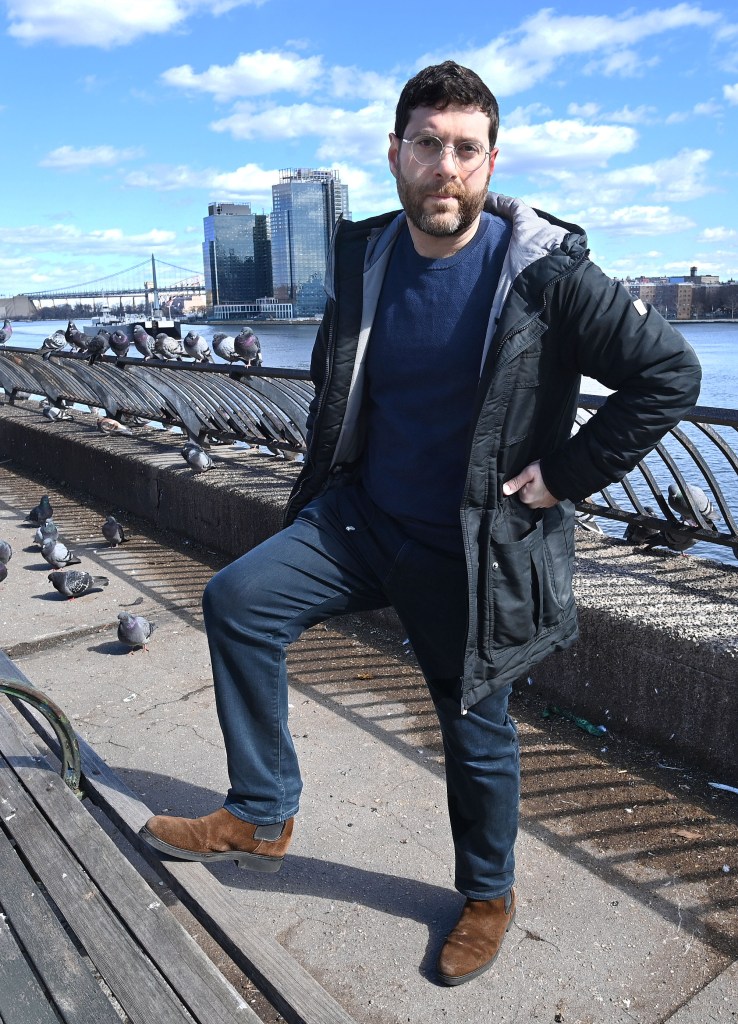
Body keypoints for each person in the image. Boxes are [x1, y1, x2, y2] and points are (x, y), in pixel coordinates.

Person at [141, 61, 701, 986]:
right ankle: (262, 810)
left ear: (491, 161)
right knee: (238, 599)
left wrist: (563, 474)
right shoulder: (365, 257)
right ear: (395, 153)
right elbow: (342, 385)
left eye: (465, 150)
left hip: (469, 547)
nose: (446, 167)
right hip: (362, 519)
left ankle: (487, 894)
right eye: (428, 145)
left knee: (475, 729)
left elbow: (669, 376)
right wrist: (332, 485)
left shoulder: (549, 275)